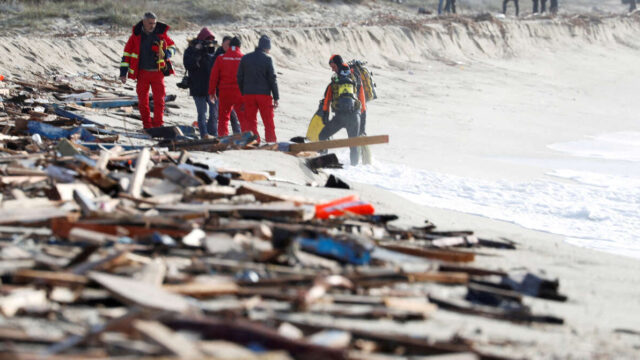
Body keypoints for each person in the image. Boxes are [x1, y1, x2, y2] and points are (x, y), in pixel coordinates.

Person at [120, 12, 176, 129]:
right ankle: (147, 126)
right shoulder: (135, 36)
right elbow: (126, 55)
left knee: (159, 101)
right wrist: (123, 73)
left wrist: (167, 53)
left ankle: (158, 125)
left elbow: (173, 46)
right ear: (144, 22)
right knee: (143, 102)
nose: (153, 26)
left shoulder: (160, 34)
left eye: (154, 23)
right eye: (150, 23)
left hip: (157, 73)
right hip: (142, 73)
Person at [318, 55, 367, 166]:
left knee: (323, 136)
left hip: (340, 117)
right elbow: (363, 104)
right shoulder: (355, 78)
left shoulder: (335, 80)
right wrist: (362, 125)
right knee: (353, 145)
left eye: (333, 66)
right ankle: (355, 169)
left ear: (338, 64)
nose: (332, 69)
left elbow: (327, 100)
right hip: (355, 117)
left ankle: (323, 162)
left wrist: (325, 117)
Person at [237, 35, 279, 144]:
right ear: (266, 48)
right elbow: (272, 79)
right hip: (264, 95)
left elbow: (239, 77)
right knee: (268, 122)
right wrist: (276, 97)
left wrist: (243, 92)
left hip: (248, 94)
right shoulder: (268, 59)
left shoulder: (245, 58)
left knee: (250, 121)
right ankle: (271, 142)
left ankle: (255, 141)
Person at [183, 27, 218, 138]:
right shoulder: (190, 50)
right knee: (202, 114)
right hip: (197, 87)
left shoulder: (212, 51)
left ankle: (213, 134)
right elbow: (189, 65)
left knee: (214, 113)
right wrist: (197, 51)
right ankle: (204, 135)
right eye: (207, 41)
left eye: (211, 41)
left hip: (211, 87)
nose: (209, 44)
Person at [208, 37, 245, 138]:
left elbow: (213, 76)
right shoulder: (244, 58)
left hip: (225, 93)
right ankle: (245, 138)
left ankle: (223, 138)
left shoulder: (221, 58)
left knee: (223, 119)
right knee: (243, 118)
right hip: (239, 93)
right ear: (239, 47)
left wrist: (212, 92)